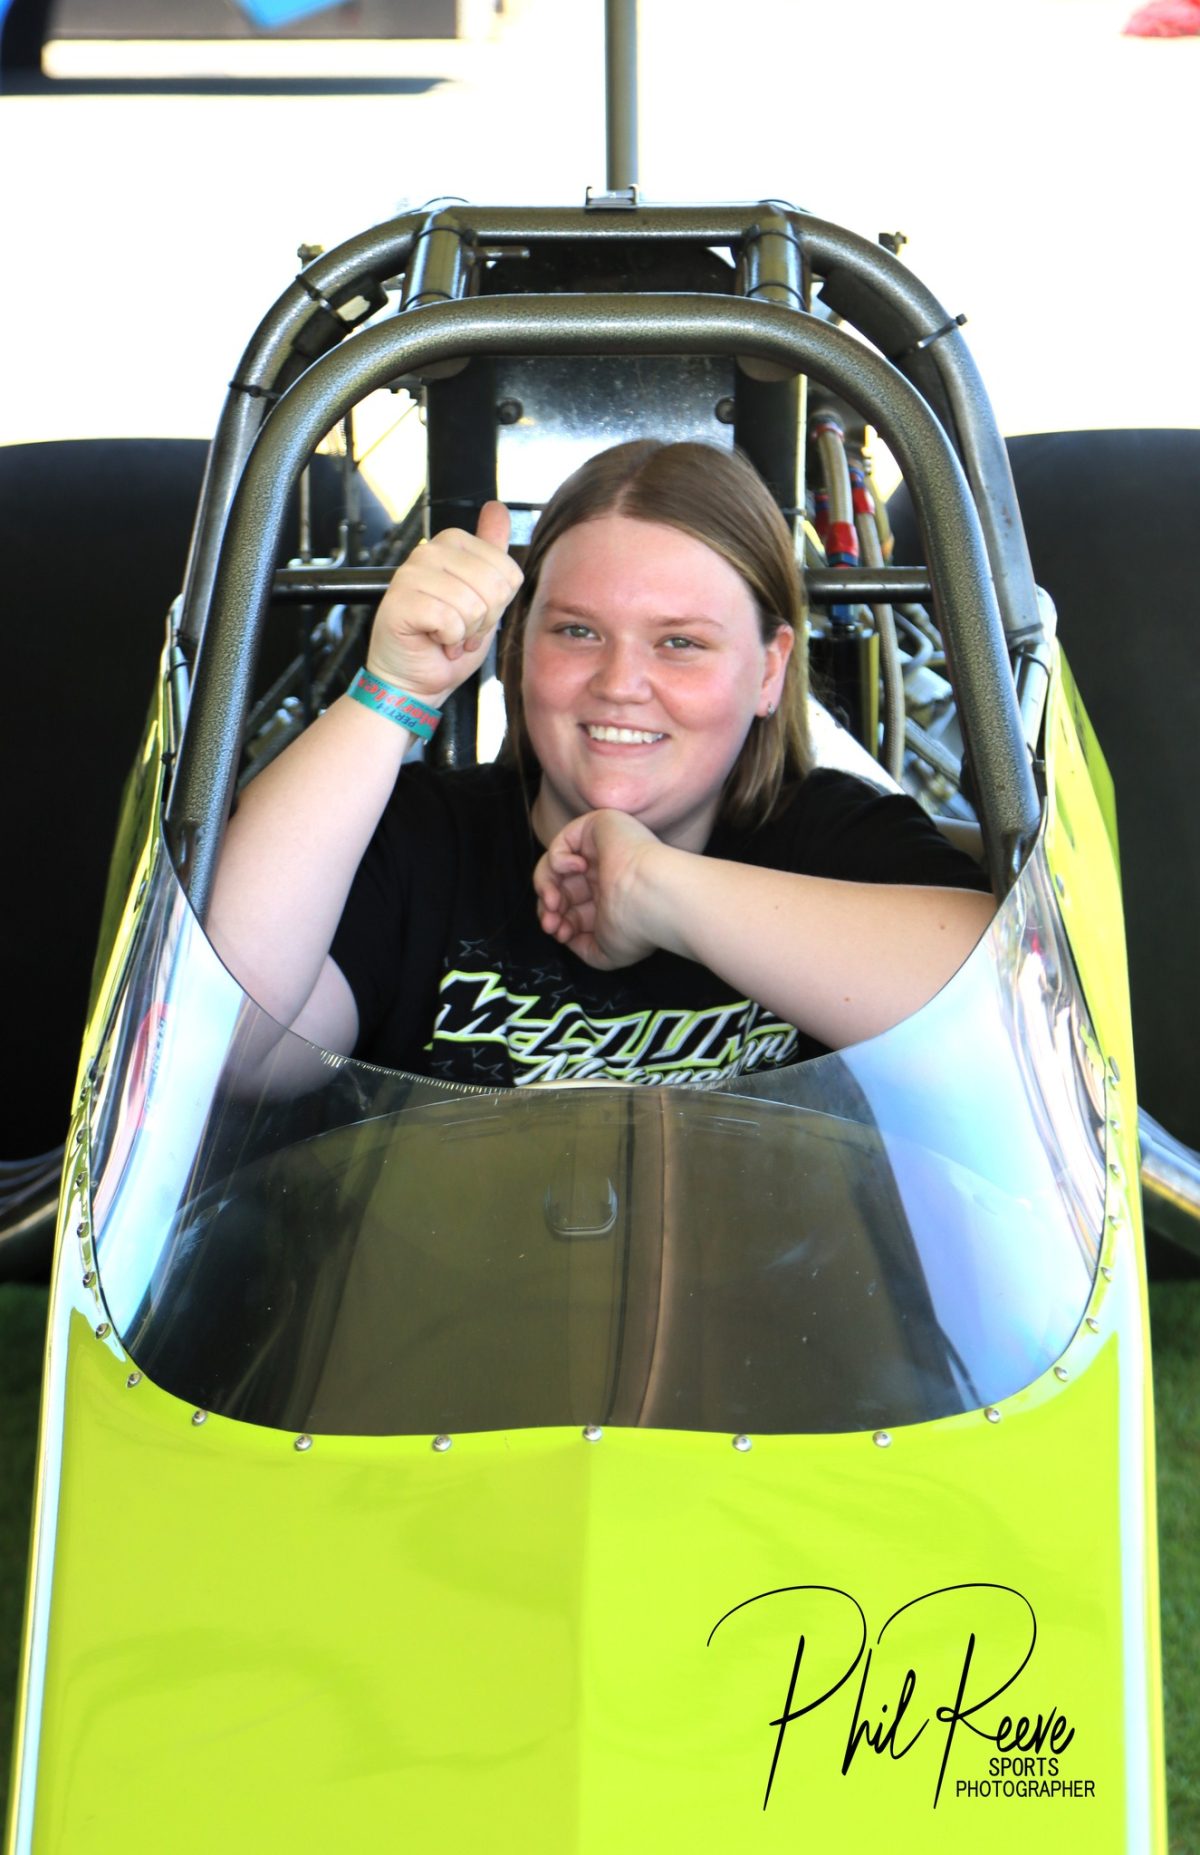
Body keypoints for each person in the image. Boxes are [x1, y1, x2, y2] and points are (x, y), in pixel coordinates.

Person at [208, 439, 994, 1089]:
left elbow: (1009, 1016)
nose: (620, 683)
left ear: (767, 670)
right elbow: (226, 1045)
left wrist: (654, 890)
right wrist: (393, 691)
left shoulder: (834, 841)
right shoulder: (424, 840)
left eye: (680, 642)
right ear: (514, 649)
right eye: (577, 632)